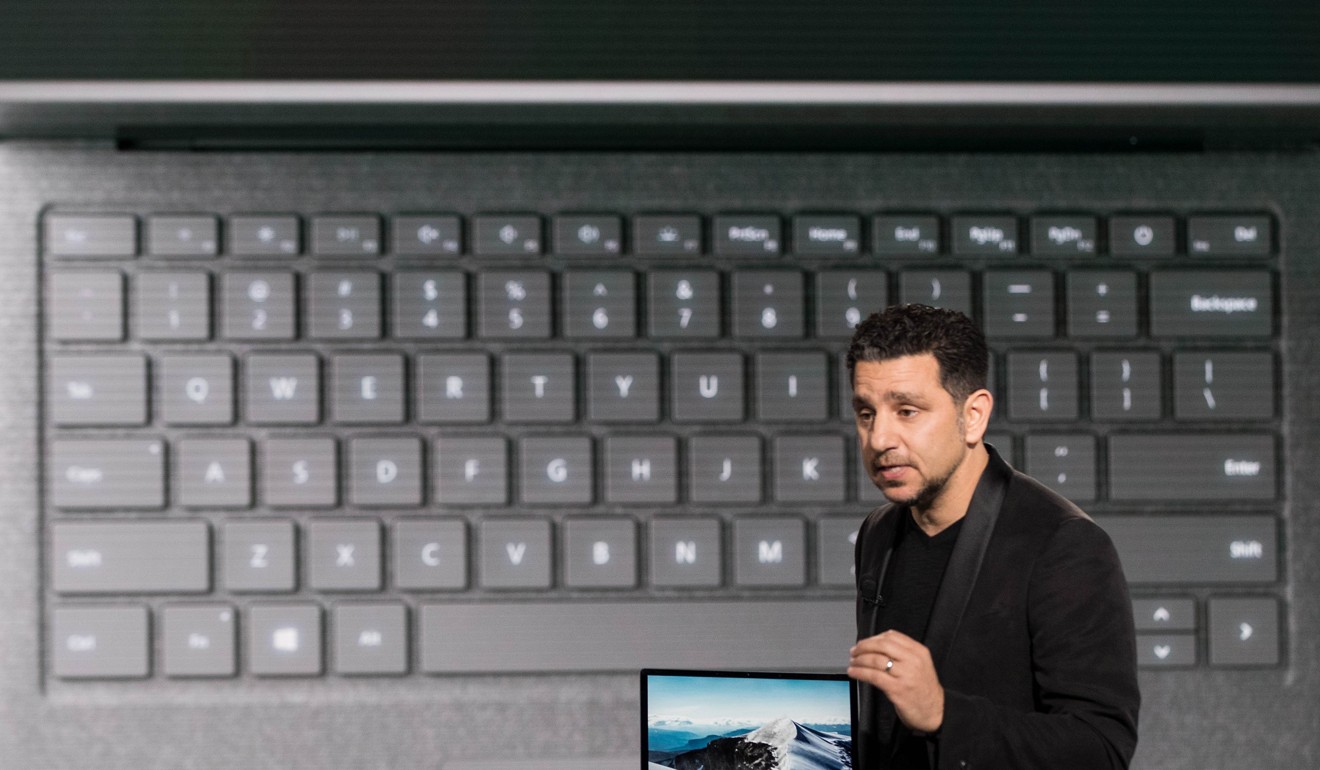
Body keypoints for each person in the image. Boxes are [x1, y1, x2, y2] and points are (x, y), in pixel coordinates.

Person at [844, 304, 1140, 769]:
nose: (880, 438)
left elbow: (1101, 747)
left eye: (907, 411)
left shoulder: (1065, 545)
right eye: (866, 413)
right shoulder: (878, 532)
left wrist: (944, 714)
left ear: (975, 415)